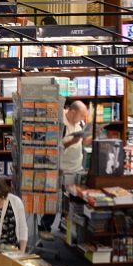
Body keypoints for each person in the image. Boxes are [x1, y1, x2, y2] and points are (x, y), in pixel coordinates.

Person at [41, 98, 91, 234]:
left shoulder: (79, 122)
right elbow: (55, 147)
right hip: (60, 168)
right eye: (81, 115)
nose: (83, 118)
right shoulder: (59, 122)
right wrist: (72, 141)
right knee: (55, 198)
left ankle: (64, 225)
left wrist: (92, 136)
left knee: (71, 199)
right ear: (72, 111)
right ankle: (45, 226)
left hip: (76, 167)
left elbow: (83, 144)